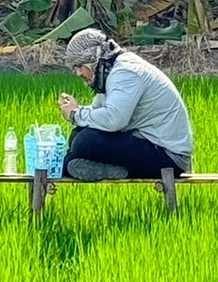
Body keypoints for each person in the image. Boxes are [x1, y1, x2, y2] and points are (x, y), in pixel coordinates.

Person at [57, 28, 194, 182]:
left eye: (80, 66)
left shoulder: (125, 73)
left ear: (94, 61)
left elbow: (114, 119)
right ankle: (75, 165)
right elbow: (99, 113)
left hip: (169, 158)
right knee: (79, 134)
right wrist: (78, 111)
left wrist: (75, 114)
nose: (78, 73)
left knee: (85, 140)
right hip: (149, 146)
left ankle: (76, 166)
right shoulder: (112, 70)